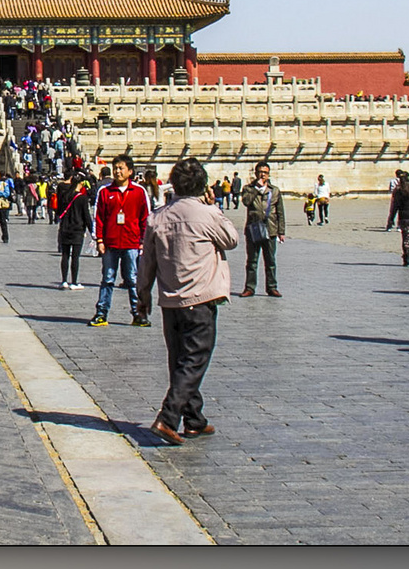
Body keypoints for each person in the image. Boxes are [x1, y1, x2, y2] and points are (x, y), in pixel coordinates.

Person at [136, 157, 238, 444]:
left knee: (180, 360)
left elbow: (147, 264)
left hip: (170, 301)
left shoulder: (157, 217)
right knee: (194, 360)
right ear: (202, 185)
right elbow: (231, 238)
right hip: (200, 299)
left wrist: (142, 297)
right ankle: (168, 419)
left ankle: (194, 419)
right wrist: (214, 206)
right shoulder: (206, 215)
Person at [90, 155, 150, 327]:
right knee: (108, 279)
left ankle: (138, 313)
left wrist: (143, 241)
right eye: (115, 167)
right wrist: (99, 239)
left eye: (121, 168)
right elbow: (99, 217)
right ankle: (101, 313)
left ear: (130, 171)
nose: (117, 171)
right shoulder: (105, 192)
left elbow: (145, 218)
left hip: (131, 242)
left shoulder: (139, 192)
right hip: (110, 242)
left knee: (132, 279)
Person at [236, 162, 286, 297]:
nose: (262, 174)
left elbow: (280, 212)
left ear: (268, 174)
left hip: (270, 229)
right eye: (260, 172)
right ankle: (249, 288)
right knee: (252, 261)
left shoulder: (274, 190)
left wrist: (281, 231)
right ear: (256, 173)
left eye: (265, 172)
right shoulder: (248, 188)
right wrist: (256, 189)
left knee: (270, 261)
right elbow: (246, 202)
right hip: (253, 229)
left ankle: (272, 287)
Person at [56, 172, 93, 290]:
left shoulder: (64, 195)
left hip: (65, 228)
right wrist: (92, 231)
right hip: (77, 229)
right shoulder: (82, 198)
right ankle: (74, 282)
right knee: (75, 257)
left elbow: (59, 211)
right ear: (81, 183)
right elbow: (86, 216)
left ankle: (64, 281)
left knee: (65, 255)